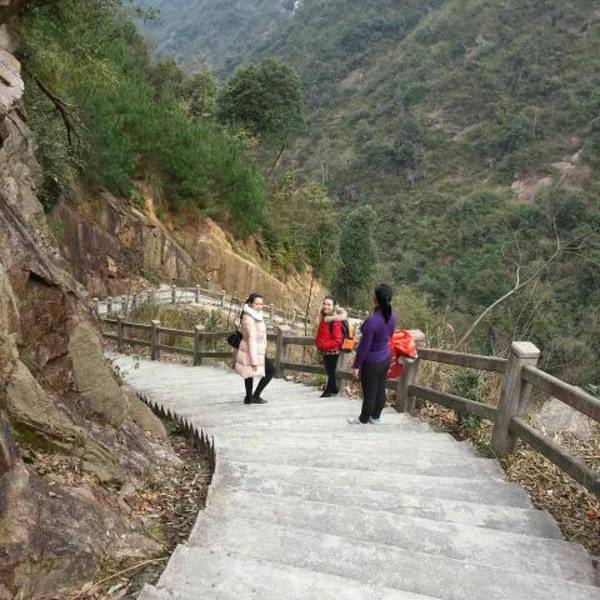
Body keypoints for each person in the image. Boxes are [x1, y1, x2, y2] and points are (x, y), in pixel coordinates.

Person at [348, 284, 396, 425]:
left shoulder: (372, 321)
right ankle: (375, 417)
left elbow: (364, 347)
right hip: (385, 357)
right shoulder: (392, 315)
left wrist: (356, 366)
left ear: (375, 298)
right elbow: (390, 334)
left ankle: (363, 419)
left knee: (369, 393)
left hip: (372, 362)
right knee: (380, 389)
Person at [234, 293, 273, 404]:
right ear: (250, 304)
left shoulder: (254, 315)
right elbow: (252, 339)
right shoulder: (250, 318)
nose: (259, 306)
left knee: (249, 372)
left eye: (261, 304)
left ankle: (249, 398)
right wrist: (254, 360)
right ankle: (255, 396)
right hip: (252, 350)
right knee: (271, 371)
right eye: (257, 304)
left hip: (252, 349)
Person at [315, 296, 347, 397]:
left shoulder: (335, 320)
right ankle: (332, 389)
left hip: (332, 351)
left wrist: (323, 345)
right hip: (326, 351)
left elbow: (338, 340)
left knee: (331, 372)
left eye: (329, 305)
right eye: (324, 304)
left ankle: (329, 390)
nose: (326, 306)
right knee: (330, 371)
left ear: (333, 306)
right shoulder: (324, 317)